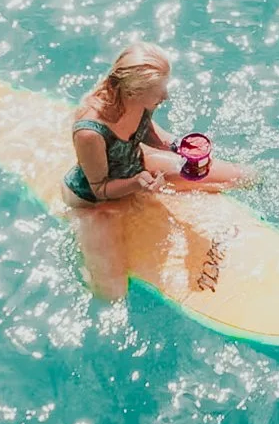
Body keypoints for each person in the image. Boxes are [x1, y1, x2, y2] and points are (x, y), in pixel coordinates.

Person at [61, 42, 250, 298]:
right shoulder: (88, 132)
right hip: (95, 201)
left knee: (239, 176)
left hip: (138, 166)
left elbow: (147, 131)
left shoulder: (140, 100)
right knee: (112, 293)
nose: (166, 96)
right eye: (160, 91)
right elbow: (100, 188)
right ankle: (83, 247)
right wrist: (136, 184)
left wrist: (178, 147)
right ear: (134, 90)